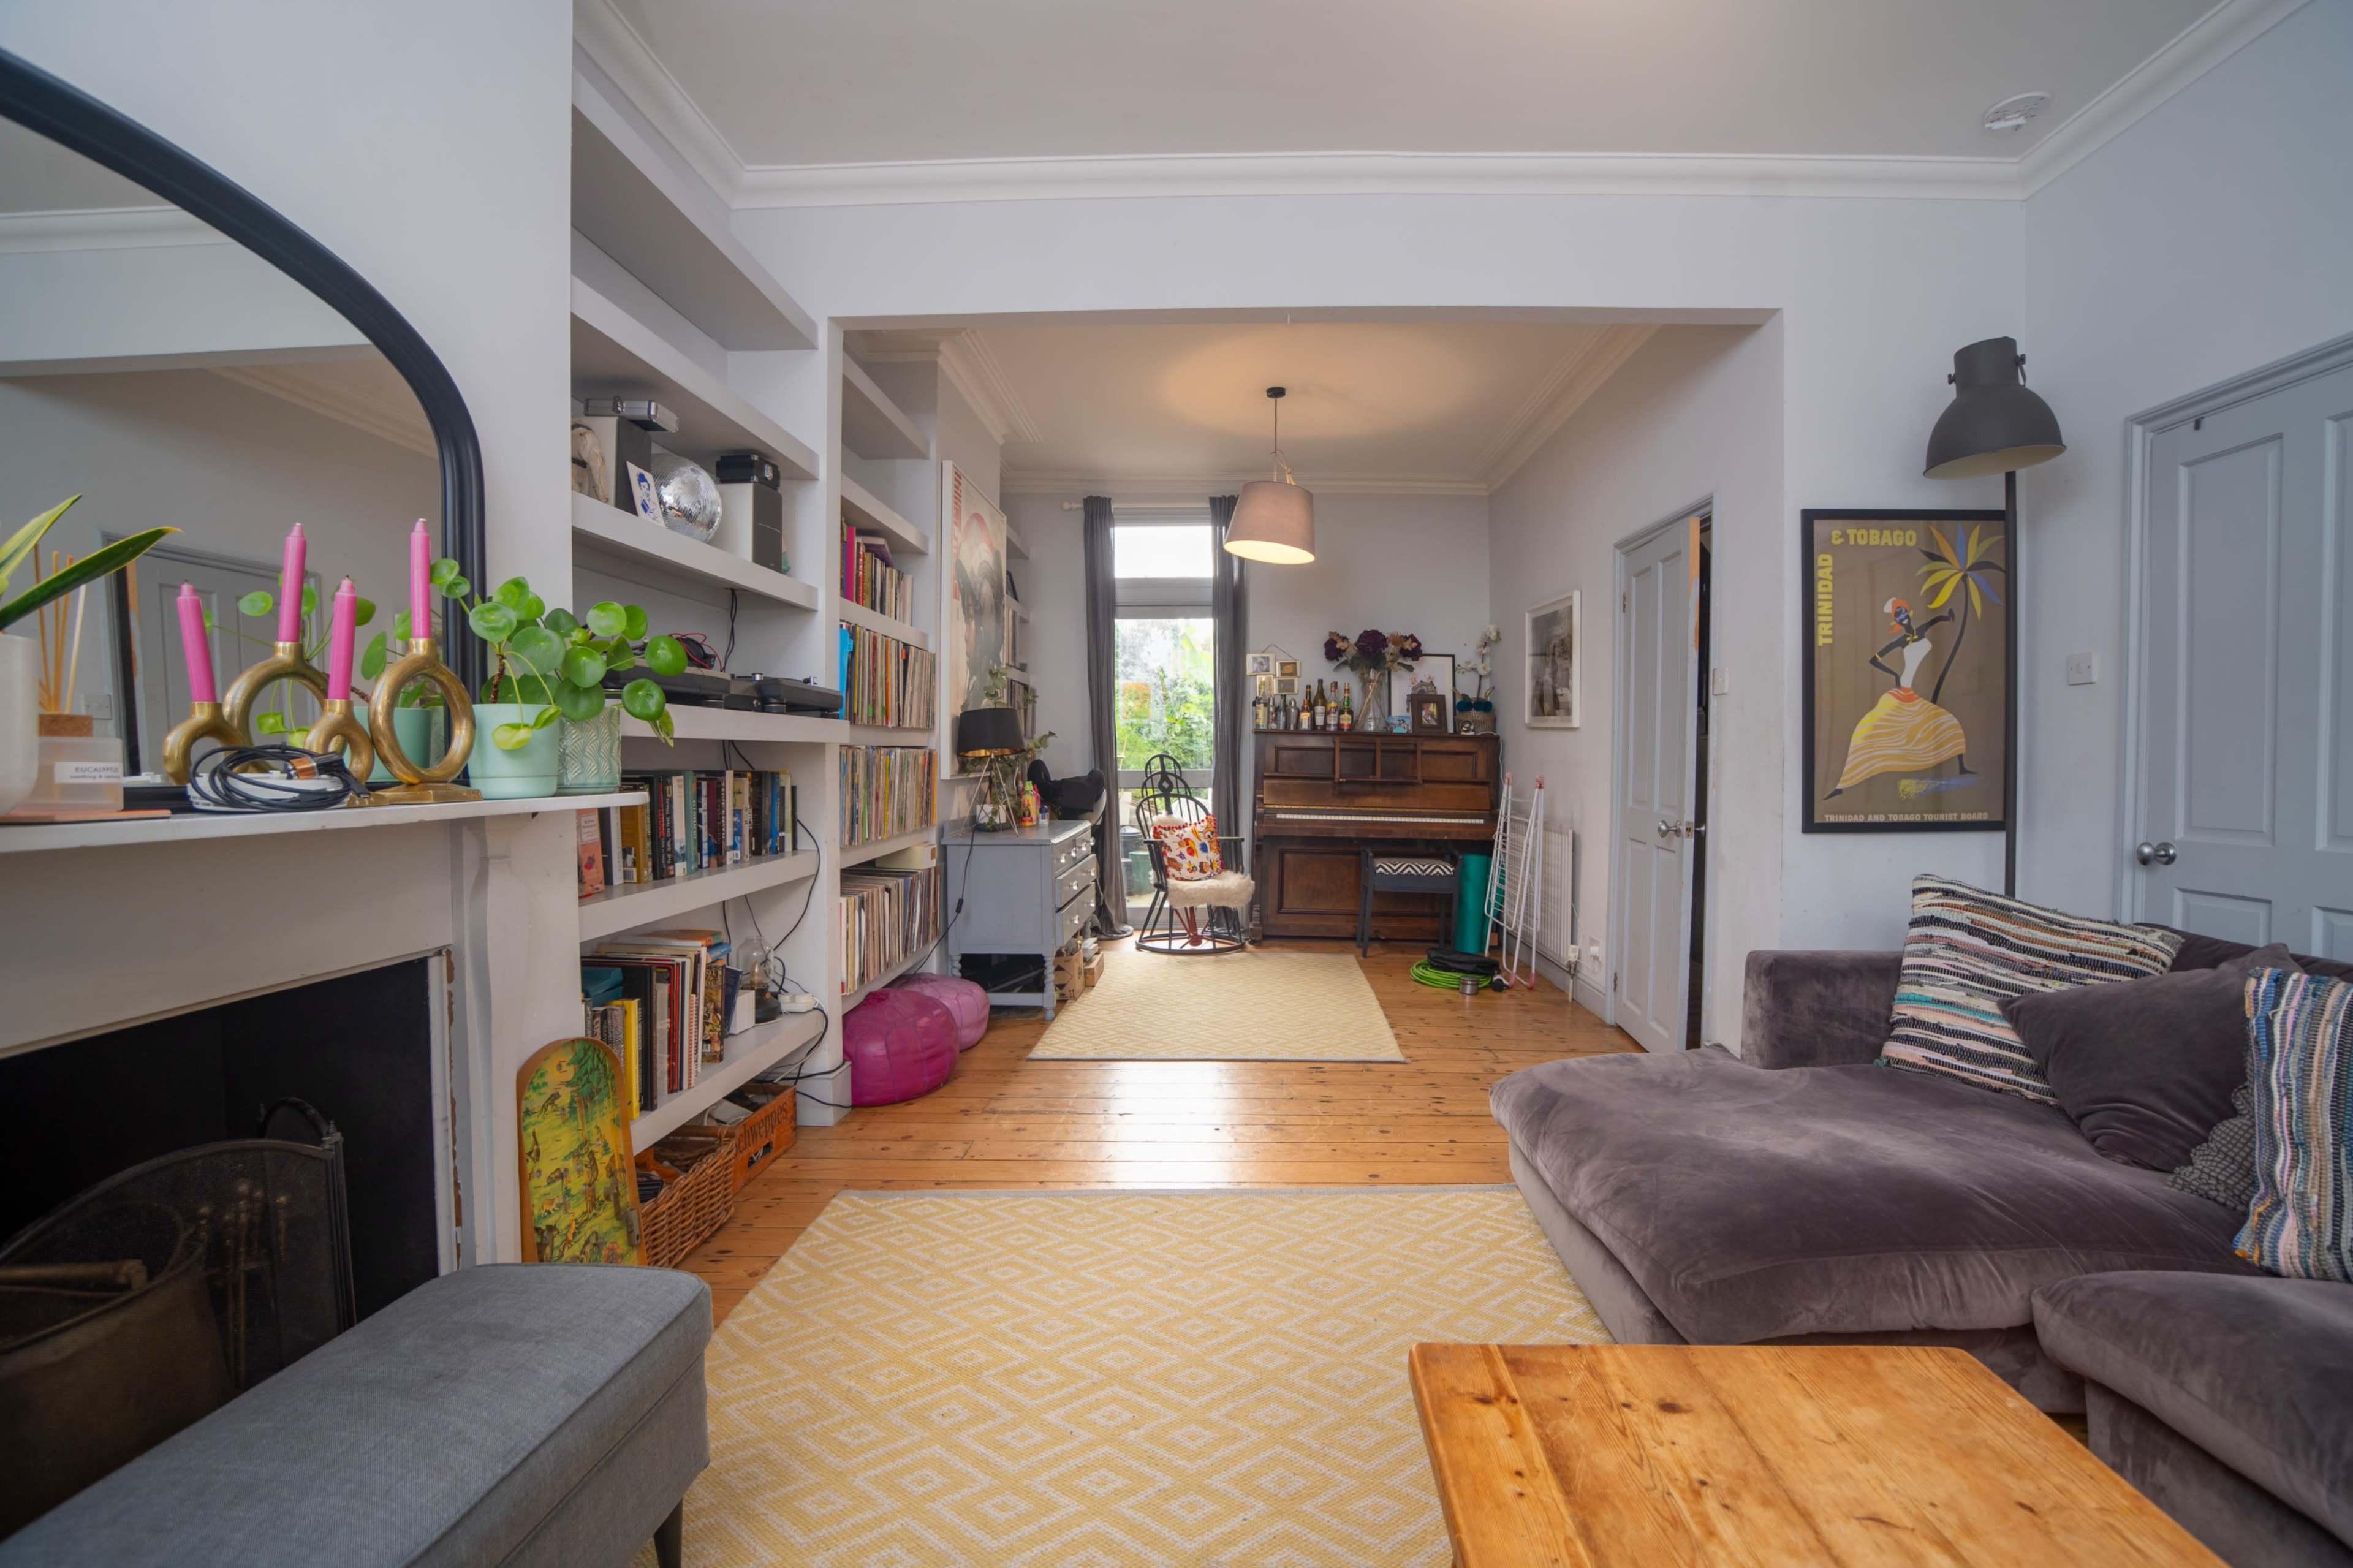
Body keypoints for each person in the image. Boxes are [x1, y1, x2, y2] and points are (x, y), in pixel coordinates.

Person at [1825, 598, 1972, 796]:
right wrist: (1894, 675)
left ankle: (1961, 766)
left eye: (1902, 612)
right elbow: (1874, 660)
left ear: (1909, 613)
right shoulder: (1901, 641)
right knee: (1869, 727)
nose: (1901, 617)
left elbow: (1936, 620)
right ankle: (1843, 785)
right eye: (1897, 615)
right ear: (1896, 621)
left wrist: (1948, 617)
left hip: (1913, 692)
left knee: (1948, 721)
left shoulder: (1921, 630)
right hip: (1902, 689)